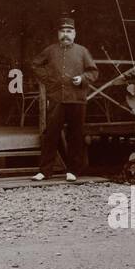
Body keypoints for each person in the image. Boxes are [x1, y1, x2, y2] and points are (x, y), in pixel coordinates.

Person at [31, 15, 98, 182]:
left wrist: (82, 78)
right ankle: (45, 171)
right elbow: (35, 64)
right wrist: (49, 79)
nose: (65, 34)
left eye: (69, 31)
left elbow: (93, 72)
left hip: (77, 98)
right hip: (56, 99)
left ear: (74, 34)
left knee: (75, 135)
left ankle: (73, 170)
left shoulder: (82, 51)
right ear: (58, 33)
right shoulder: (50, 50)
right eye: (63, 31)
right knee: (51, 134)